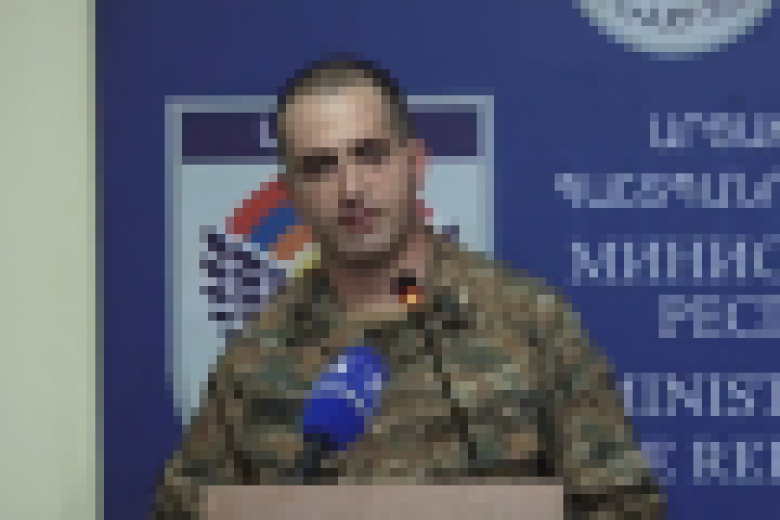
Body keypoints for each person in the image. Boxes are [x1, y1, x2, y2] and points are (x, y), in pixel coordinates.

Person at [154, 54, 666, 519]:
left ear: (416, 164)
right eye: (320, 167)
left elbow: (626, 506)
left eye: (370, 155)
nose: (351, 189)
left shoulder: (529, 322)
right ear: (291, 192)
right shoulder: (257, 355)